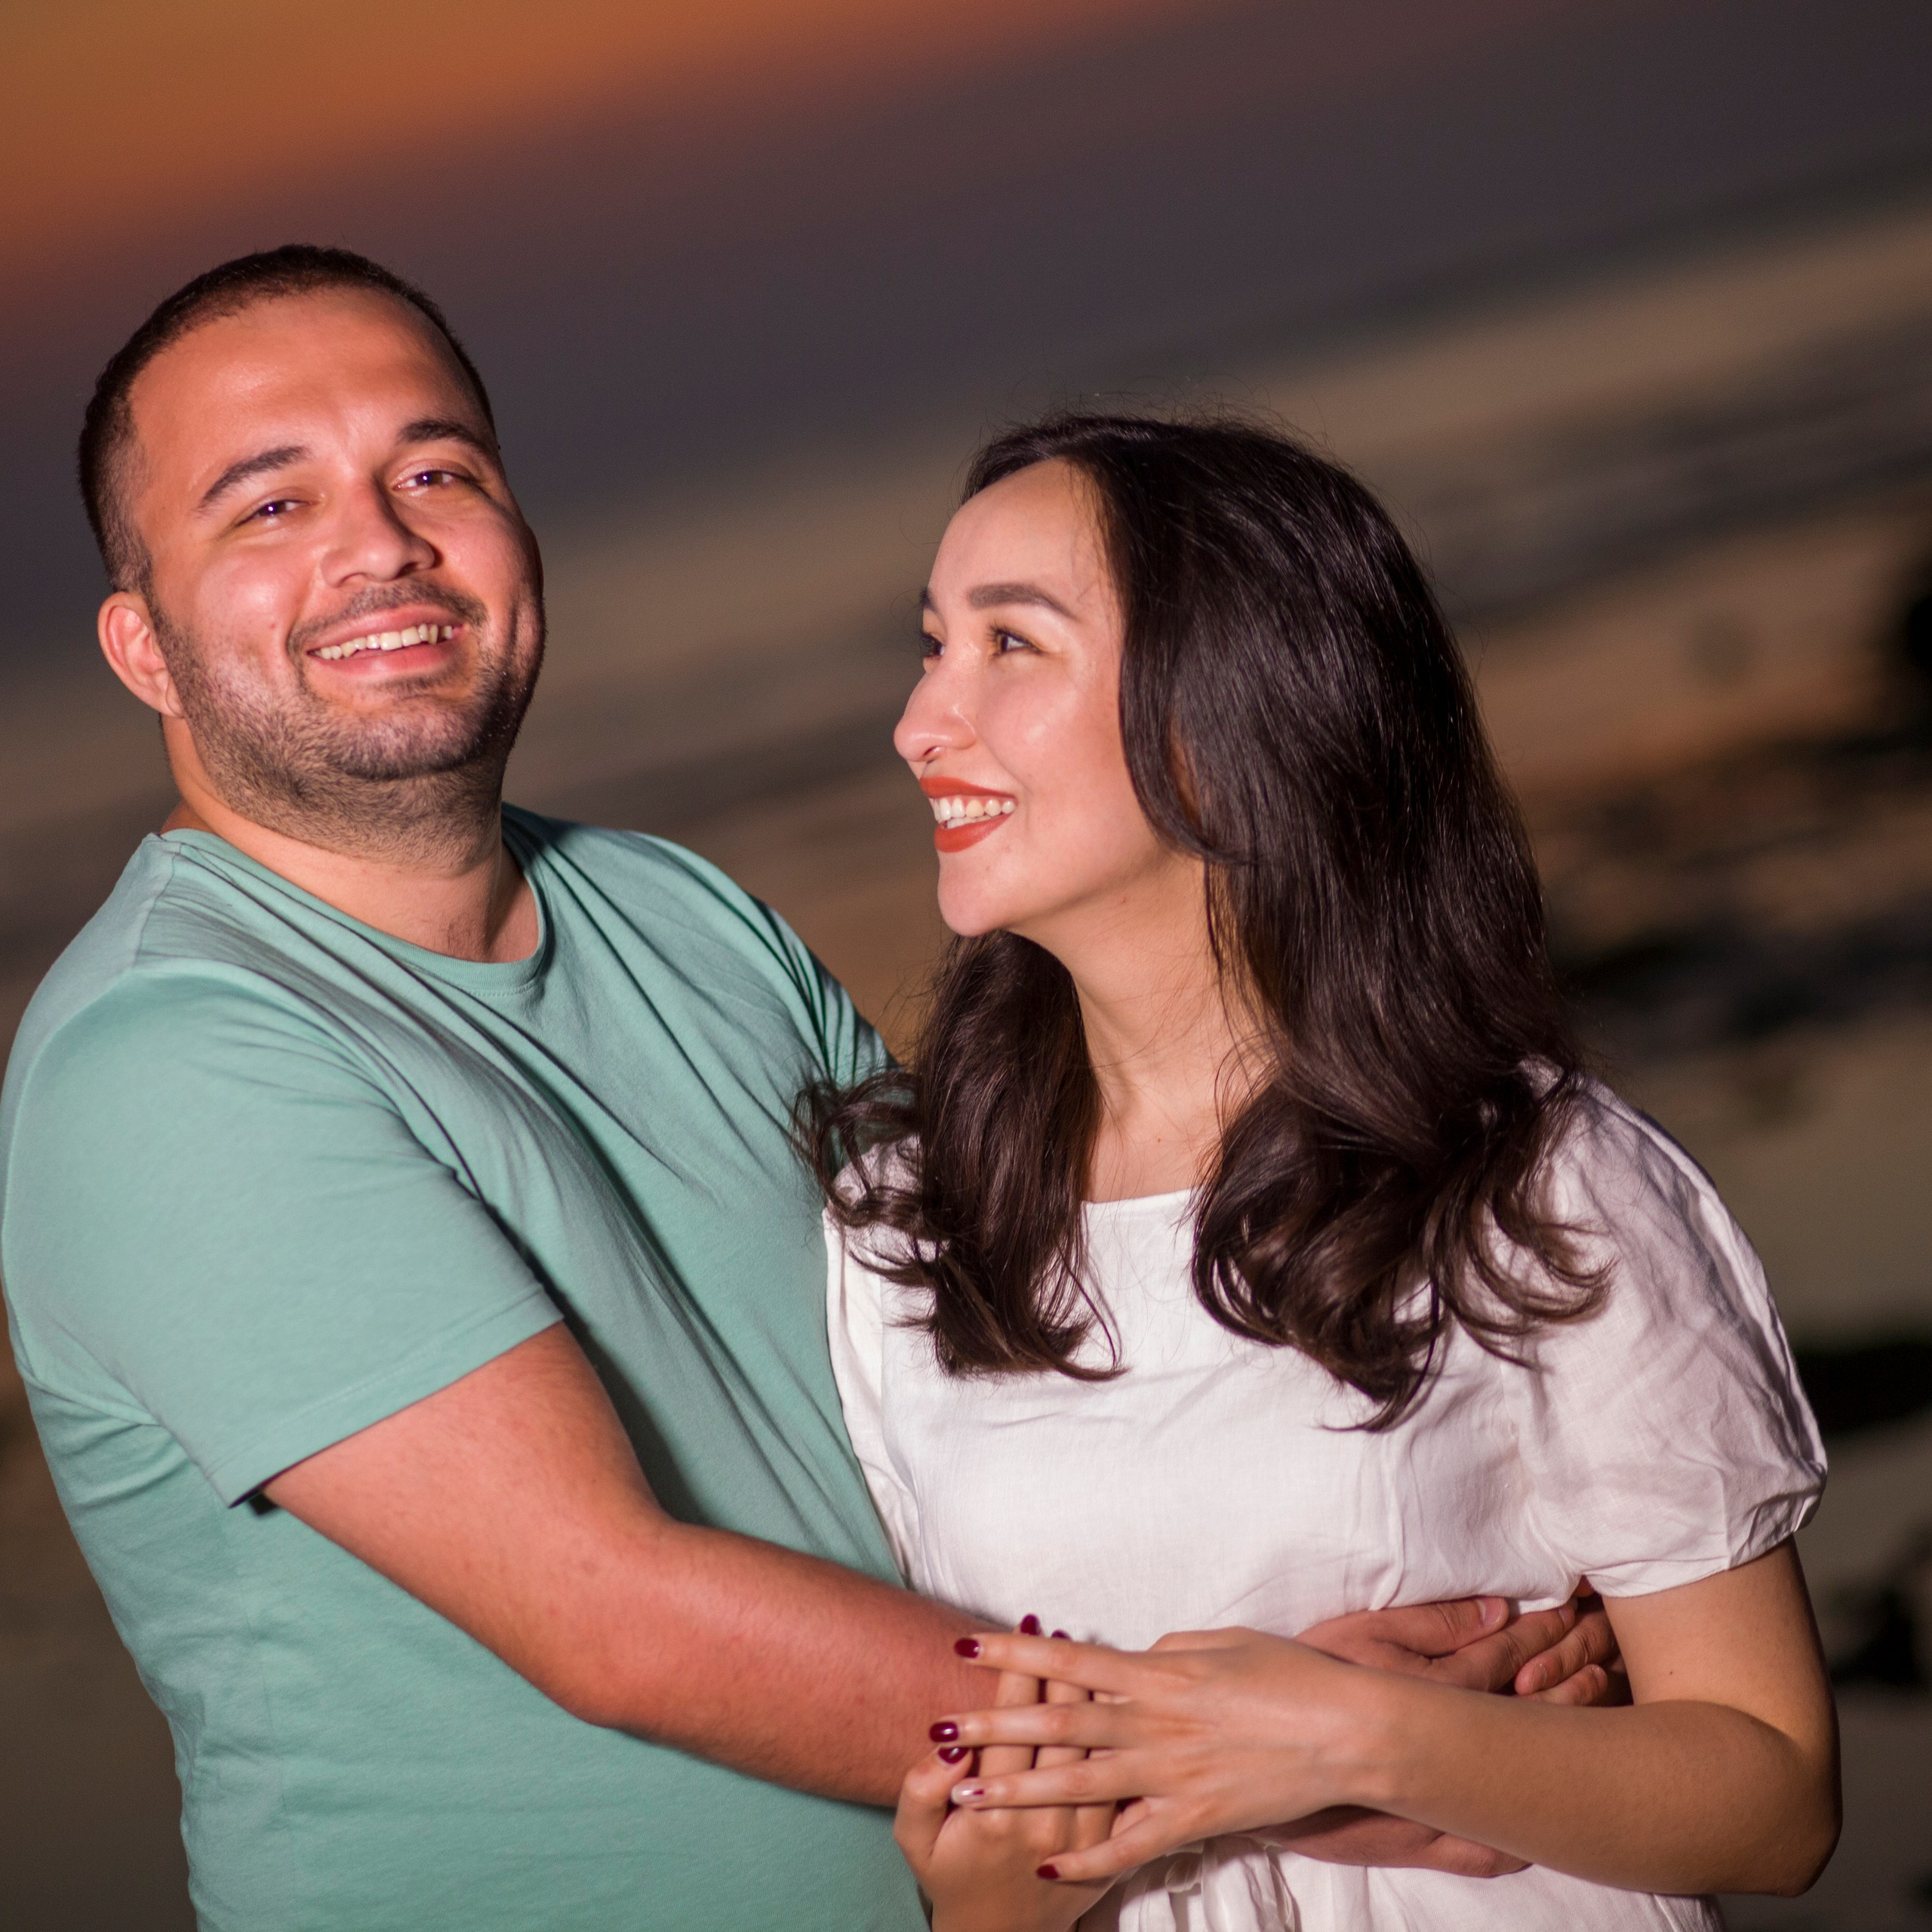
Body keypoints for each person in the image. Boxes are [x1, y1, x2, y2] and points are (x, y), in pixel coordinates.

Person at [0, 251, 1615, 1930]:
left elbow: (1005, 1337)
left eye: (436, 470)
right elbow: (609, 1610)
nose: (382, 543)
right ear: (144, 647)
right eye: (267, 507)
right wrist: (1263, 1742)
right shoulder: (168, 1058)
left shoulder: (675, 908)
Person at [812, 414, 1840, 1930]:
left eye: (1008, 645)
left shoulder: (1530, 1177)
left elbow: (1771, 1794)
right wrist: (995, 1895)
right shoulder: (902, 1226)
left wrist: (1350, 1733)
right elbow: (977, 1842)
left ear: (1226, 721)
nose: (918, 721)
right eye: (929, 645)